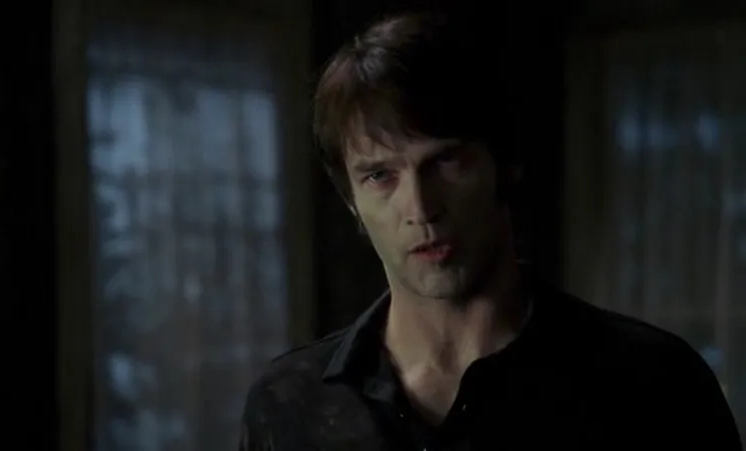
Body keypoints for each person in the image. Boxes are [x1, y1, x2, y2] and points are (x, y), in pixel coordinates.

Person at [238, 10, 742, 451]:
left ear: (505, 164)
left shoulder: (650, 383)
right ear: (352, 200)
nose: (421, 208)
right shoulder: (291, 405)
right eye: (380, 176)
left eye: (446, 161)